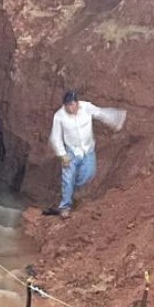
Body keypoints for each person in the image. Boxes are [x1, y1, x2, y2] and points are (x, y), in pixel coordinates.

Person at [49, 90, 127, 218]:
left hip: (88, 150)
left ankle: (73, 192)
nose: (71, 108)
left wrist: (116, 120)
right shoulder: (59, 116)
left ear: (77, 103)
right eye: (68, 105)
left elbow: (101, 113)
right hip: (71, 151)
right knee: (68, 177)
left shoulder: (86, 107)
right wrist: (62, 154)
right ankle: (65, 206)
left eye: (73, 104)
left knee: (88, 175)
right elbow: (55, 137)